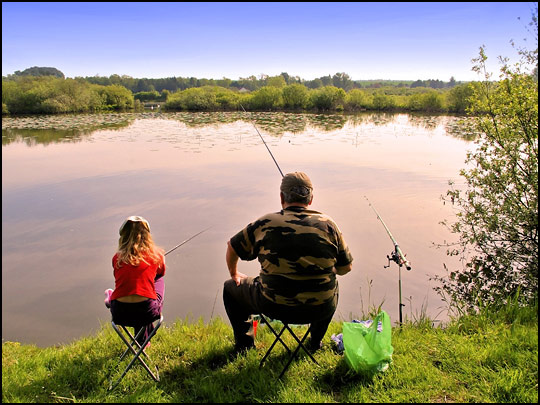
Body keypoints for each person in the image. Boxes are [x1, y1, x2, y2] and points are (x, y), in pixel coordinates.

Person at [223, 172, 353, 354]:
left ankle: (245, 346)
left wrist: (234, 274)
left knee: (230, 288)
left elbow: (233, 246)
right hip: (319, 308)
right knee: (333, 285)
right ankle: (315, 342)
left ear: (281, 197)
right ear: (311, 198)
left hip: (272, 306)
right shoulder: (329, 225)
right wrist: (329, 268)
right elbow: (346, 268)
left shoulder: (265, 223)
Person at [104, 216, 166, 347]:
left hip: (120, 313)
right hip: (147, 313)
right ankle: (144, 339)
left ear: (123, 237)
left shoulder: (117, 258)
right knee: (158, 278)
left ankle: (111, 296)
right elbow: (161, 272)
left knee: (132, 288)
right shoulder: (157, 255)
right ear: (147, 236)